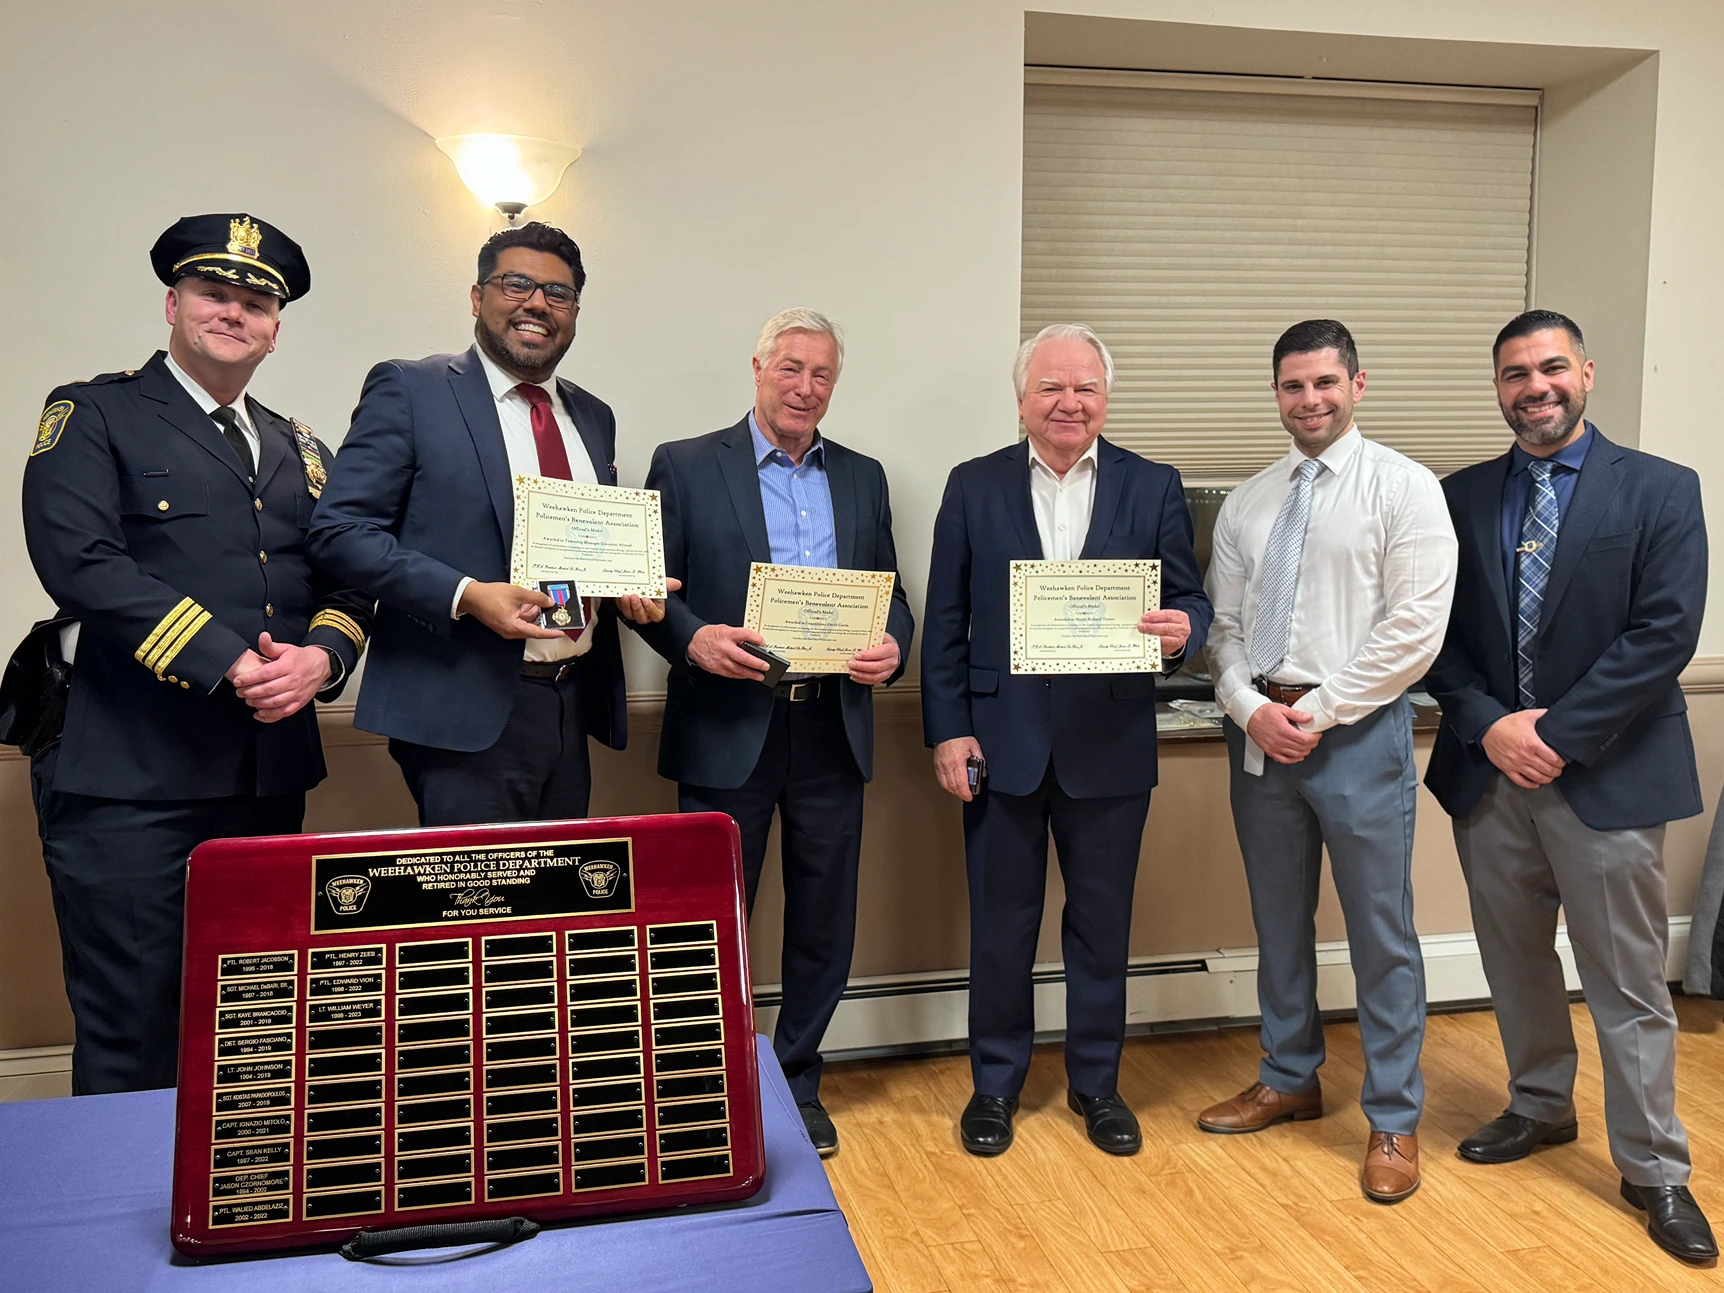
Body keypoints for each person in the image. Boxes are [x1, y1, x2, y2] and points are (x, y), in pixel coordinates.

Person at [20, 214, 372, 1093]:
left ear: (276, 329)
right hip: (128, 774)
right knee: (134, 1024)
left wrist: (321, 659)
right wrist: (228, 657)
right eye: (216, 294)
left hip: (262, 774)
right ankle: (125, 1220)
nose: (234, 313)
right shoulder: (93, 411)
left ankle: (236, 1214)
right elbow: (80, 561)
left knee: (254, 1021)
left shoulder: (304, 450)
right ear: (174, 304)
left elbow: (350, 580)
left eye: (256, 302)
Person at [1426, 310, 1714, 1261]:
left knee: (1628, 978)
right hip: (1489, 773)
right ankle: (1541, 1106)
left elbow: (1662, 635)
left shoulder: (1664, 490)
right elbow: (1438, 638)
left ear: (1585, 373)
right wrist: (1490, 726)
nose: (1534, 386)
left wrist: (1555, 734)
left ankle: (1655, 1168)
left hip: (1609, 773)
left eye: (1551, 368)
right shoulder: (1457, 496)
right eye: (1514, 373)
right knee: (1514, 959)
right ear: (1498, 387)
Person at [921, 323, 1210, 1158]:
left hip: (1108, 741)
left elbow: (1191, 602)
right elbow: (945, 623)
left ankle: (1096, 1084)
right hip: (998, 745)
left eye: (1084, 387)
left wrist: (1180, 630)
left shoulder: (1152, 484)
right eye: (1051, 387)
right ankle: (996, 1084)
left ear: (1105, 398)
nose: (1068, 402)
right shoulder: (972, 485)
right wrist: (948, 730)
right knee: (1001, 926)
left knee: (1102, 925)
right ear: (1021, 399)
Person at [631, 308, 913, 1156]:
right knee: (710, 920)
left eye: (822, 374)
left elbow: (892, 592)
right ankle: (705, 1088)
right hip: (727, 725)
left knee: (825, 916)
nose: (805, 388)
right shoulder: (683, 465)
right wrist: (690, 637)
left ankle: (796, 1077)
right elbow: (648, 591)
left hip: (832, 725)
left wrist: (893, 644)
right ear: (757, 367)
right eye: (790, 368)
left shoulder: (863, 476)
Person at [1198, 319, 1455, 1203]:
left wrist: (1316, 710)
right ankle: (1289, 1075)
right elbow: (1224, 629)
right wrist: (1251, 709)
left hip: (1357, 732)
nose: (1309, 400)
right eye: (1292, 386)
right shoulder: (1249, 501)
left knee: (1382, 933)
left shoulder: (1406, 489)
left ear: (1357, 383)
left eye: (1324, 383)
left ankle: (1392, 1116)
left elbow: (1414, 633)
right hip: (1262, 731)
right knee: (1278, 921)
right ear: (1275, 394)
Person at [309, 222, 664, 825]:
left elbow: (582, 546)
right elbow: (339, 533)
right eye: (516, 284)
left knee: (555, 914)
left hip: (571, 698)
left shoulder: (592, 415)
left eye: (558, 294)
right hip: (462, 707)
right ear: (477, 298)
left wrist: (628, 582)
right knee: (480, 915)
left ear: (574, 312)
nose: (536, 304)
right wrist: (467, 595)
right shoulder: (411, 389)